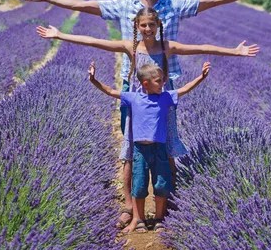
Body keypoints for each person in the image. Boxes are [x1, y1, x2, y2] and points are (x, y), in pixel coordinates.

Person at [36, 7, 259, 227]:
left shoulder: (166, 47)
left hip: (162, 101)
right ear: (137, 26)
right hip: (138, 103)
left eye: (152, 24)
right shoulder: (130, 46)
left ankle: (168, 203)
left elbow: (200, 47)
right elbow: (95, 41)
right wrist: (60, 35)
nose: (148, 28)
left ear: (158, 26)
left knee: (167, 148)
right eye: (143, 25)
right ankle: (131, 208)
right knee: (132, 153)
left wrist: (234, 51)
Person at [88, 60, 211, 233]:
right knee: (139, 186)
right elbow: (110, 91)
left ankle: (159, 218)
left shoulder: (165, 97)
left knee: (161, 184)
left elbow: (184, 89)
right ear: (146, 83)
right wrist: (93, 80)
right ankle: (140, 221)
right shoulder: (134, 98)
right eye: (159, 81)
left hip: (159, 149)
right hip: (140, 151)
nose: (163, 83)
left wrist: (201, 77)